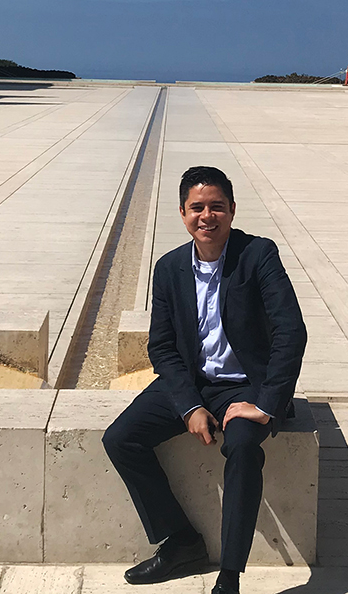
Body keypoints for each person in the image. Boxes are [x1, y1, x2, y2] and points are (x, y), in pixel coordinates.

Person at [103, 166, 308, 594]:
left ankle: (229, 576)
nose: (207, 216)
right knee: (121, 438)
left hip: (247, 384)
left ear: (232, 210)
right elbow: (161, 347)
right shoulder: (169, 267)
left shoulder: (258, 255)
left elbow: (291, 331)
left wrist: (267, 404)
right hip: (195, 383)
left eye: (217, 206)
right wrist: (189, 406)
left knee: (243, 446)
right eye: (197, 207)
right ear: (182, 213)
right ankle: (180, 543)